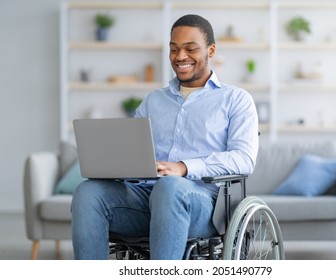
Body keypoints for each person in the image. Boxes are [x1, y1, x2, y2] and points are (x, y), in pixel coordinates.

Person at [71, 14, 259, 260]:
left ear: (211, 50)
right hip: (144, 199)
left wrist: (183, 168)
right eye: (174, 49)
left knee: (170, 187)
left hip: (202, 204)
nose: (180, 56)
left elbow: (244, 159)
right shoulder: (153, 101)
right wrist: (117, 165)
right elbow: (133, 150)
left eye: (190, 48)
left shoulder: (236, 99)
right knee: (88, 191)